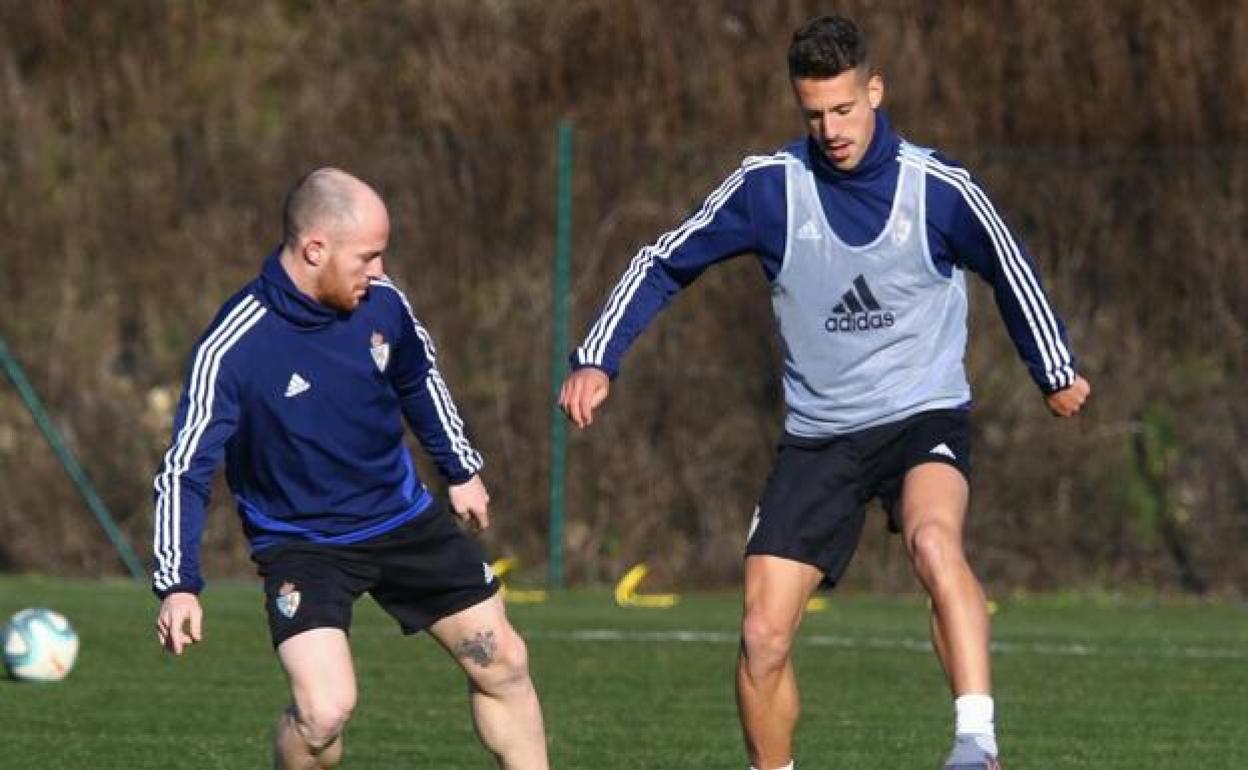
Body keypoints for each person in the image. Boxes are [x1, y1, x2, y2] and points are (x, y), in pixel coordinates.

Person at [560, 14, 1089, 770]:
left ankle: (976, 744)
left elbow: (1009, 266)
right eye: (814, 114)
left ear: (875, 90)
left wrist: (1053, 369)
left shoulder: (936, 189)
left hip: (921, 413)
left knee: (936, 543)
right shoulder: (771, 188)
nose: (832, 129)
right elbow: (663, 260)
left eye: (844, 109)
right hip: (820, 435)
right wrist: (598, 357)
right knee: (761, 637)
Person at [152, 168, 549, 770]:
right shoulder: (234, 347)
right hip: (303, 546)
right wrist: (178, 582)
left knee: (504, 663)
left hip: (403, 521)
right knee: (323, 714)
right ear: (315, 249)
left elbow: (419, 379)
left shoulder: (382, 305)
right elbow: (185, 468)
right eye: (368, 256)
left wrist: (460, 469)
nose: (380, 271)